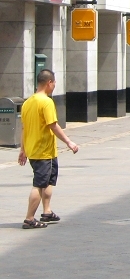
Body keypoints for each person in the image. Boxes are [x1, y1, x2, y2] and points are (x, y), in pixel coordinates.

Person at [18, 69, 79, 229]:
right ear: (49, 82)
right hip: (42, 150)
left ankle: (47, 211)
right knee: (39, 184)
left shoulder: (27, 102)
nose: (54, 86)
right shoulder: (46, 102)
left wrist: (23, 150)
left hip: (35, 149)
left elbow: (24, 128)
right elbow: (53, 125)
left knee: (48, 181)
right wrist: (69, 142)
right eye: (54, 83)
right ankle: (29, 218)